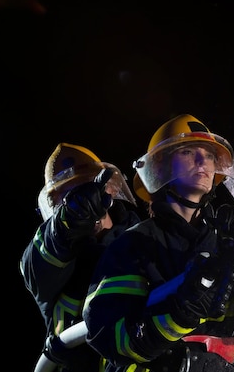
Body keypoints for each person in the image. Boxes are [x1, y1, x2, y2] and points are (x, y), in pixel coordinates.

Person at [82, 114, 234, 372]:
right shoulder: (134, 244)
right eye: (188, 151)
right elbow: (107, 336)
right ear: (160, 168)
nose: (201, 160)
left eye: (208, 155)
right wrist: (178, 315)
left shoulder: (224, 236)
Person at [20, 142, 142, 372]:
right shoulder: (51, 259)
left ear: (108, 189)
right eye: (69, 198)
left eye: (86, 188)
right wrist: (68, 223)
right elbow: (37, 263)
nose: (84, 202)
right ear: (56, 208)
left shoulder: (144, 239)